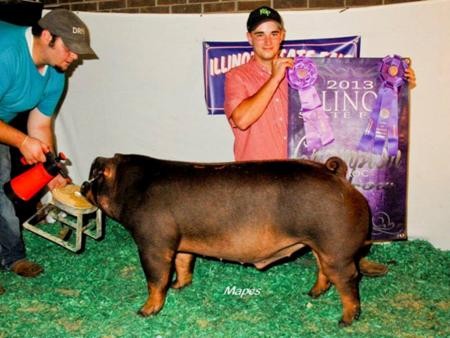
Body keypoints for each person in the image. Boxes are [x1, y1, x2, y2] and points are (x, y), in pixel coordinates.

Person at [224, 6, 416, 276]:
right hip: (259, 177)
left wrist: (397, 85)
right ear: (249, 38)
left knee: (332, 208)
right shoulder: (237, 76)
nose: (267, 41)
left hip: (299, 170)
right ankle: (288, 253)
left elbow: (351, 93)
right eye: (260, 34)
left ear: (282, 36)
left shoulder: (302, 72)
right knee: (257, 247)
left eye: (273, 33)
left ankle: (349, 258)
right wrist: (274, 77)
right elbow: (242, 119)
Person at [0, 9, 97, 278]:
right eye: (70, 48)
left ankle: (12, 257)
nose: (75, 56)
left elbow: (40, 125)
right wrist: (21, 141)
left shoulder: (56, 73)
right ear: (47, 36)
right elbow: (27, 136)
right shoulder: (6, 54)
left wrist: (50, 173)